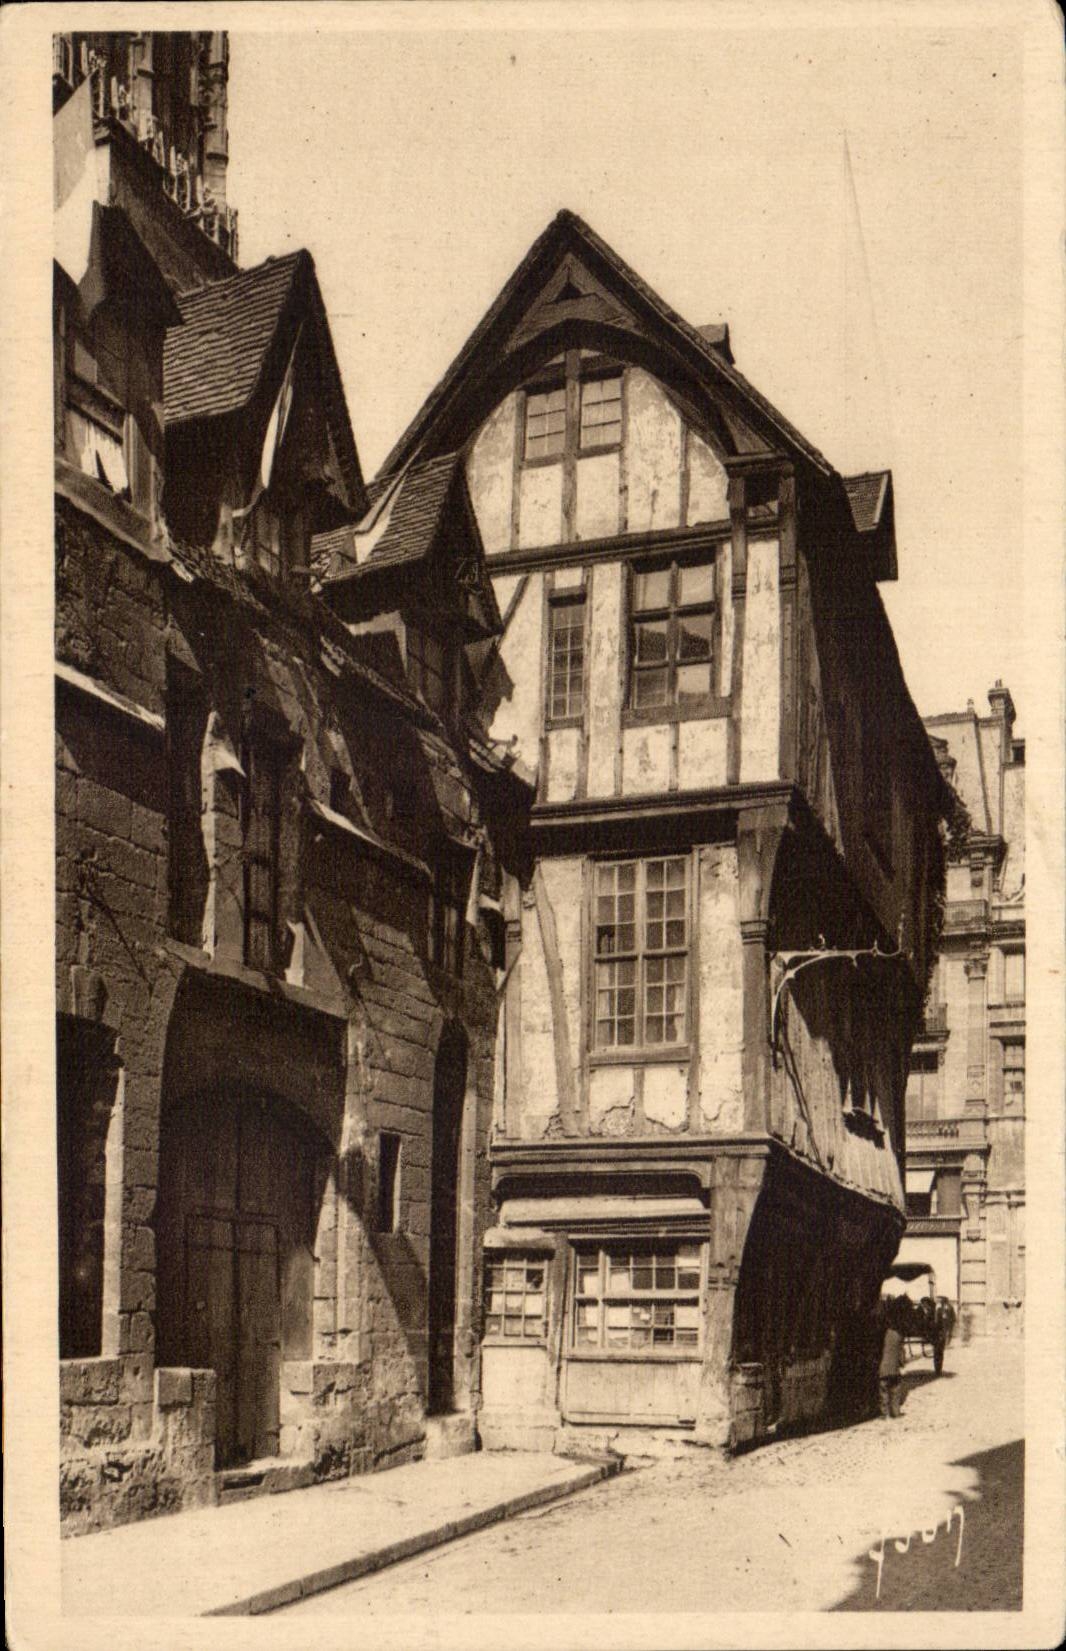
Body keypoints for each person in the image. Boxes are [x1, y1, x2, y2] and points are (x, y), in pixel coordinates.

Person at [878, 1297, 907, 1418]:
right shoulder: (897, 1335)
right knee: (895, 1390)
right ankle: (896, 1412)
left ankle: (885, 1414)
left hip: (883, 1370)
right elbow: (901, 1354)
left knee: (883, 1391)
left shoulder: (881, 1337)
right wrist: (901, 1363)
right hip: (894, 1369)